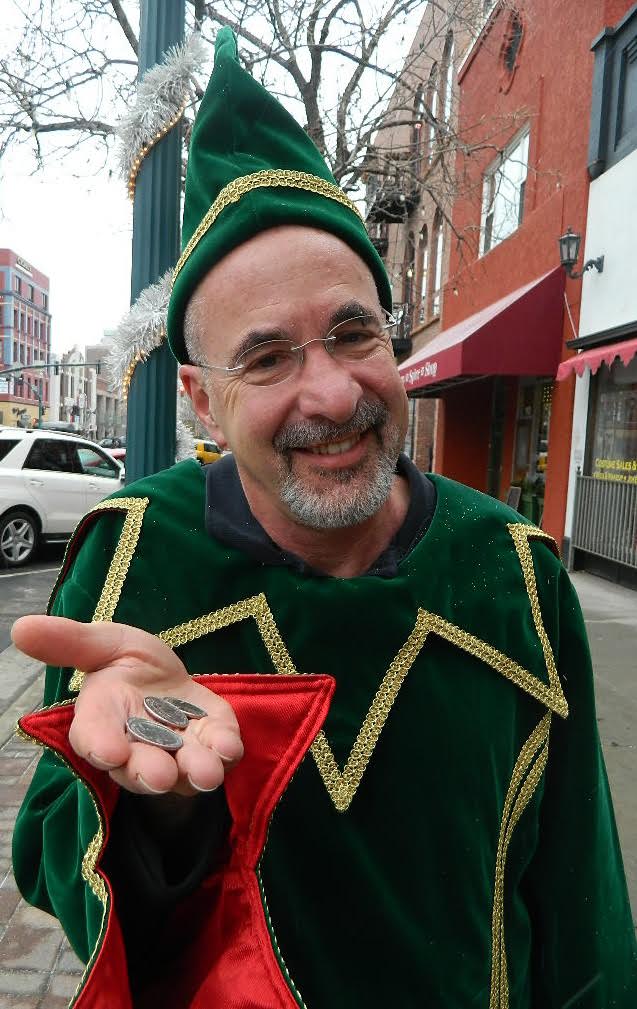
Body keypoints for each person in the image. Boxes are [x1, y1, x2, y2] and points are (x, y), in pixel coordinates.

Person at [12, 28, 637, 1009]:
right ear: (198, 399)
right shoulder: (133, 556)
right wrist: (156, 814)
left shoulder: (515, 572)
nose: (332, 392)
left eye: (352, 332)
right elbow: (54, 863)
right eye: (265, 357)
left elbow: (578, 905)